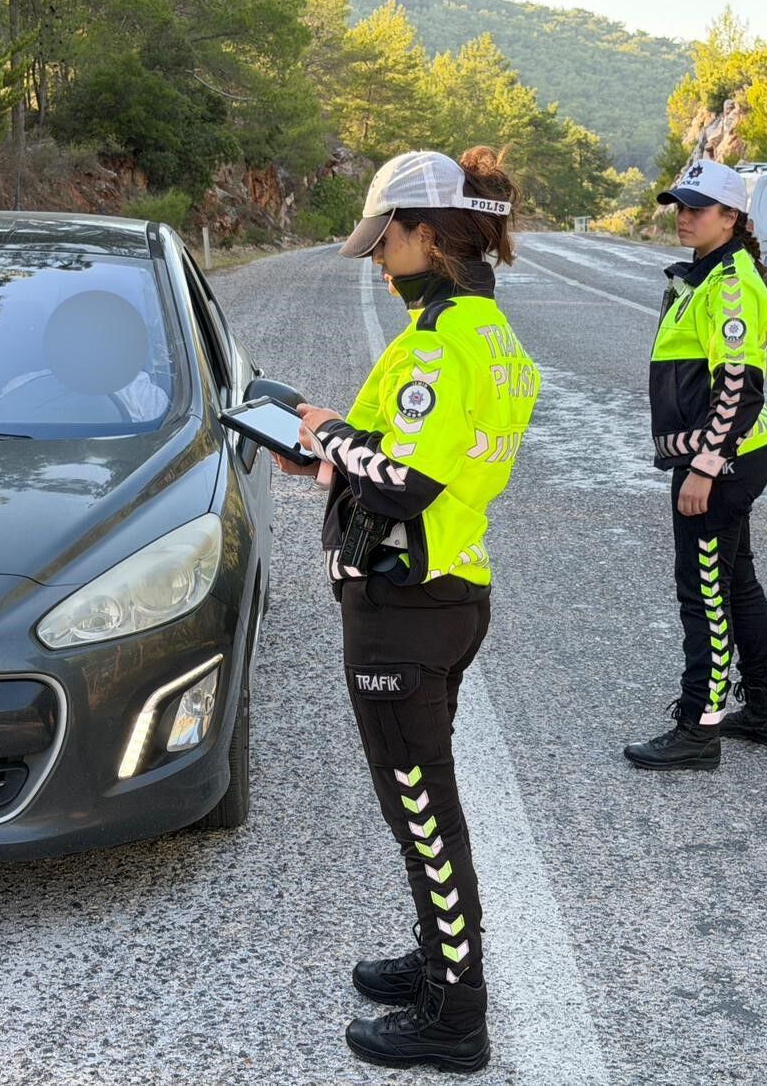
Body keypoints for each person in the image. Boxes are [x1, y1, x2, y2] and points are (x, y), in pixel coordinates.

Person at [271, 147, 538, 1073]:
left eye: (386, 240)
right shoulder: (489, 335)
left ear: (429, 234)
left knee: (423, 816)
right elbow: (413, 455)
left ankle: (455, 1015)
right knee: (425, 807)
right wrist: (331, 454)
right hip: (451, 588)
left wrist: (328, 433)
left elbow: (404, 481)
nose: (380, 261)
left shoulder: (437, 343)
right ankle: (437, 961)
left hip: (405, 604)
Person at [624, 159, 767, 772]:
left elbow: (740, 386)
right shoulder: (706, 276)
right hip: (731, 454)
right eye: (680, 205)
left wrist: (705, 465)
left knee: (703, 594)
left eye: (698, 208)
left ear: (731, 217)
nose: (684, 216)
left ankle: (699, 727)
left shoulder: (729, 285)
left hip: (722, 459)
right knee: (734, 581)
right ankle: (766, 710)